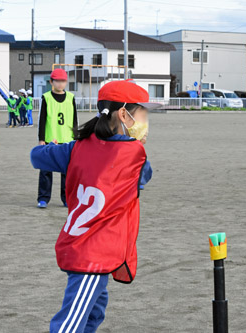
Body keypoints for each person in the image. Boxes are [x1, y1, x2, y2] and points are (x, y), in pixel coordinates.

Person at [30, 79, 155, 332]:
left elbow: (36, 156)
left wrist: (57, 148)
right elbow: (143, 175)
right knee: (69, 324)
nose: (144, 119)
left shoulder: (77, 147)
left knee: (94, 313)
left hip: (82, 246)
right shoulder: (134, 154)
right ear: (123, 114)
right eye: (141, 112)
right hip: (93, 253)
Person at [37, 68, 78, 208]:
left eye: (63, 81)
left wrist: (76, 137)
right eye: (57, 81)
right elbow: (42, 119)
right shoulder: (46, 97)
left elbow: (74, 120)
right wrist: (41, 138)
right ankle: (43, 198)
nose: (60, 84)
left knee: (67, 172)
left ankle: (67, 198)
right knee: (45, 171)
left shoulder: (71, 98)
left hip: (67, 139)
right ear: (51, 82)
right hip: (50, 139)